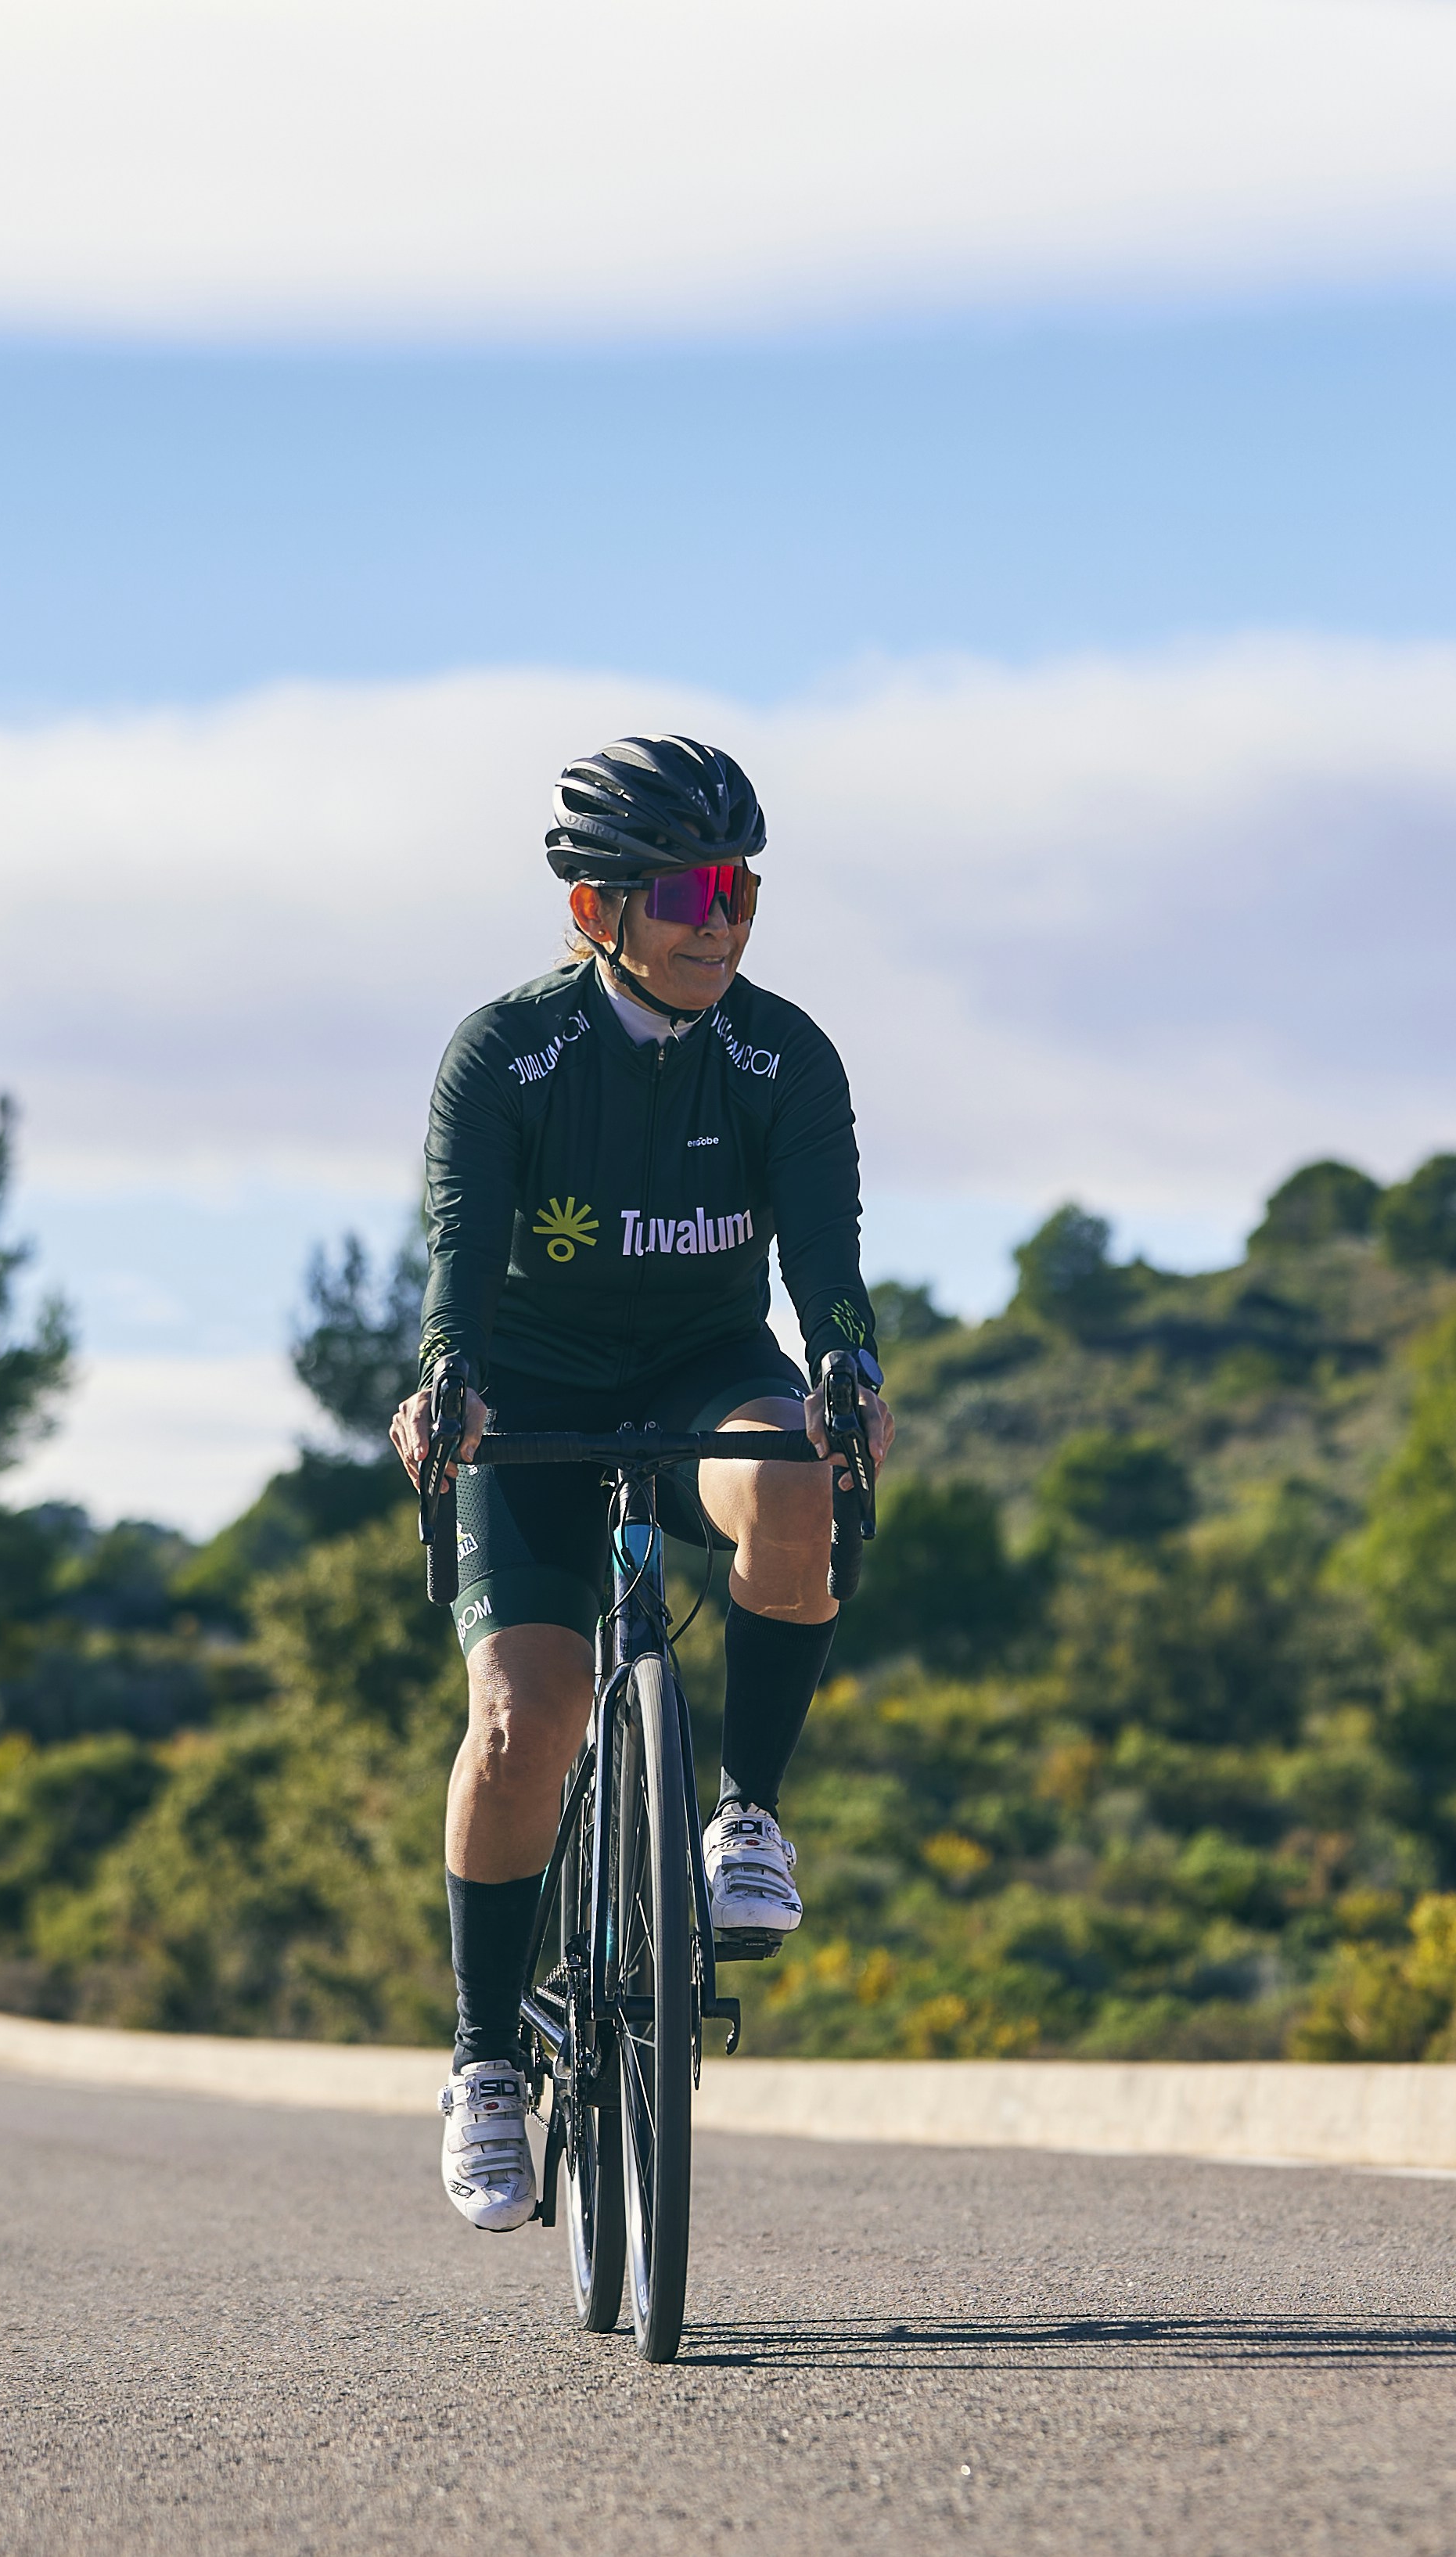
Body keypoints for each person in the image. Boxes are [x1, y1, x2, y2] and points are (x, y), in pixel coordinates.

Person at [387, 734, 892, 2235]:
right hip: (530, 1399)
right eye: (684, 888)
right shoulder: (506, 1054)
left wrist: (851, 1371)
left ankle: (744, 1815)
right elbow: (459, 1261)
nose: (719, 917)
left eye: (739, 884)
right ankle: (485, 2057)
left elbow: (827, 1267)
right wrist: (445, 1383)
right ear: (594, 909)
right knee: (519, 1722)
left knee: (796, 1473)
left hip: (700, 1379)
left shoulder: (782, 1055)